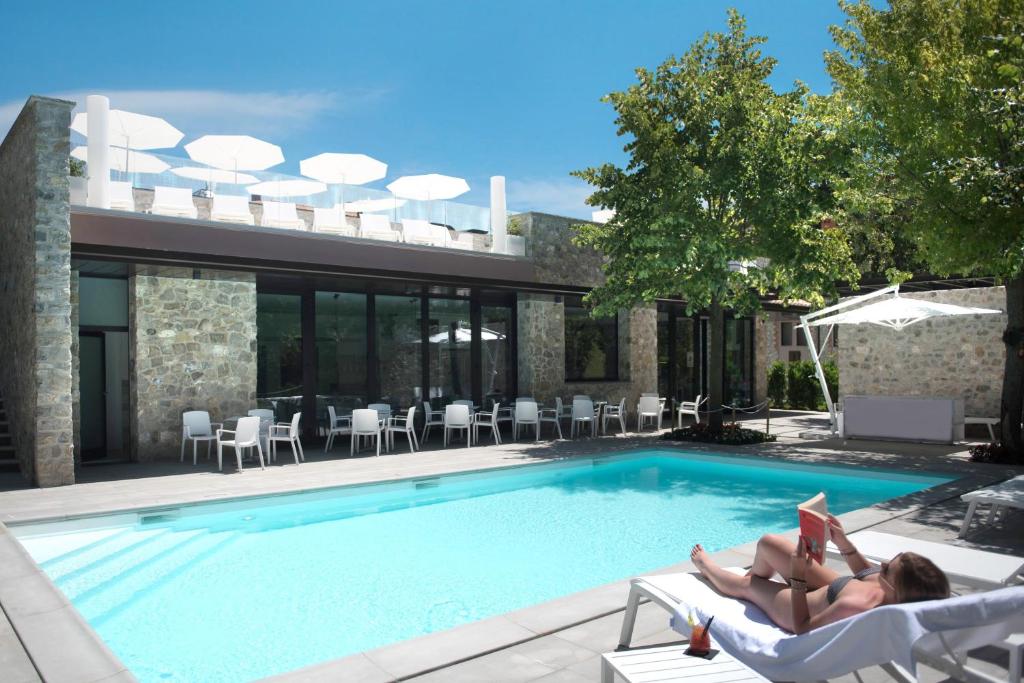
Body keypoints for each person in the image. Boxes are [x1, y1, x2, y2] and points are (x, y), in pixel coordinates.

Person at [690, 514, 950, 634]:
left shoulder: (854, 606)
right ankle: (756, 579)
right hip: (833, 589)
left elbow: (803, 628)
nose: (881, 566)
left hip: (799, 610)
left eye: (888, 569)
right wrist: (843, 542)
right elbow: (865, 572)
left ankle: (709, 568)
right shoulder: (889, 592)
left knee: (750, 587)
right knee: (769, 542)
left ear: (897, 590)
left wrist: (798, 576)